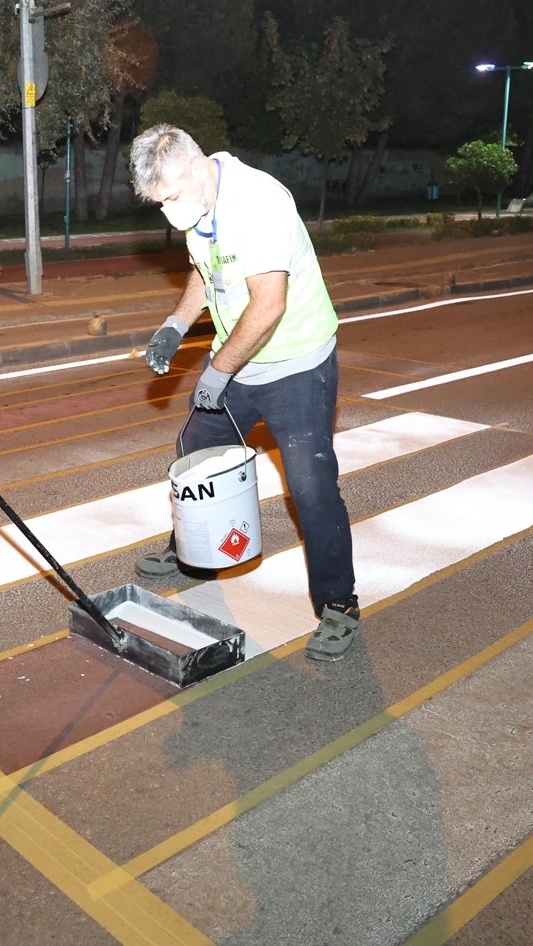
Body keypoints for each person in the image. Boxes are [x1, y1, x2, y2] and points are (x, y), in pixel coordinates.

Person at [128, 124, 359, 662]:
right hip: (239, 361)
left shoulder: (257, 201)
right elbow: (204, 273)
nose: (168, 212)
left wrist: (216, 371)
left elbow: (268, 306)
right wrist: (176, 324)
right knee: (195, 456)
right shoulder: (200, 202)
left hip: (296, 365)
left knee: (311, 488)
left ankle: (338, 606)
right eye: (158, 203)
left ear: (192, 167)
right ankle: (192, 551)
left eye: (170, 197)